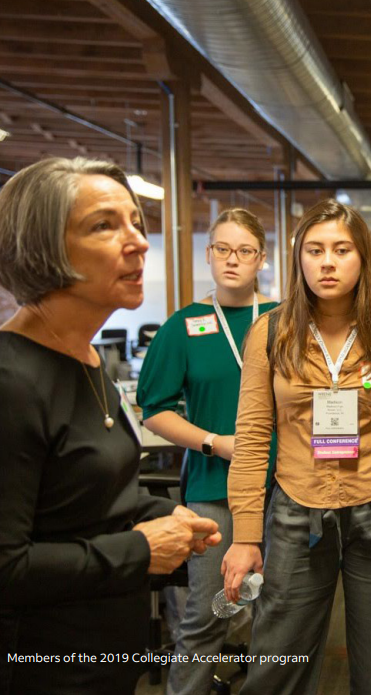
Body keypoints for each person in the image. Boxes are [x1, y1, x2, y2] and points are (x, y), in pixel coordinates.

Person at [0, 157, 221, 694]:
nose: (138, 242)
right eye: (104, 225)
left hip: (103, 660)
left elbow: (85, 501)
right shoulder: (1, 377)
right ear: (42, 248)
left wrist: (168, 514)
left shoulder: (85, 357)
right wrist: (143, 548)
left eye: (134, 222)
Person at [223, 199, 371, 695]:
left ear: (362, 257)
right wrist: (245, 534)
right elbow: (254, 435)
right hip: (297, 513)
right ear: (299, 259)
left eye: (341, 250)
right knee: (277, 668)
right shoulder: (271, 332)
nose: (327, 262)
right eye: (315, 250)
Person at [136, 207, 278, 695]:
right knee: (208, 616)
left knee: (277, 620)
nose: (232, 260)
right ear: (209, 255)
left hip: (284, 487)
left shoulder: (284, 319)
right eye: (222, 249)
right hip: (213, 489)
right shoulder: (184, 326)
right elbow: (153, 409)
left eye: (243, 251)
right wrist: (215, 443)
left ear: (261, 258)